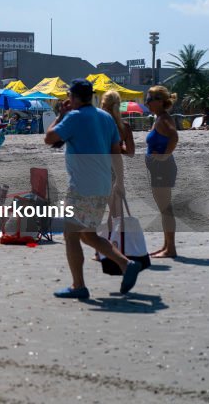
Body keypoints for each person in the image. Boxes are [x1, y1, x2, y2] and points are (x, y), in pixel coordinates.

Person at [44, 79, 140, 299]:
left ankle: (79, 286)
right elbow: (116, 151)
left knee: (71, 235)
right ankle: (126, 264)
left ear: (73, 96)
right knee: (87, 235)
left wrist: (60, 115)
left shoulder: (75, 117)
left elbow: (49, 138)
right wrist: (119, 182)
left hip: (82, 186)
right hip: (103, 183)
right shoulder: (105, 118)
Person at [144, 85, 179, 258]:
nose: (146, 102)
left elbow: (174, 136)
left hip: (162, 168)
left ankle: (170, 248)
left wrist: (165, 156)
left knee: (165, 209)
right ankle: (167, 246)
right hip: (160, 168)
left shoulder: (164, 119)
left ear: (159, 101)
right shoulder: (160, 118)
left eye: (149, 99)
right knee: (164, 209)